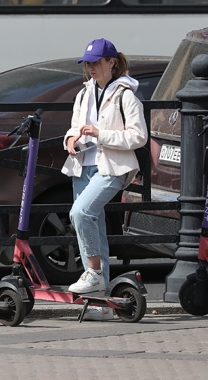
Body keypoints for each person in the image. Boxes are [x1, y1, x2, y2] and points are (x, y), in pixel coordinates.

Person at [61, 38, 147, 321]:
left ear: (112, 62)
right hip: (81, 166)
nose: (91, 67)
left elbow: (138, 137)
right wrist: (71, 140)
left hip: (111, 167)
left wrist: (101, 135)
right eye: (88, 63)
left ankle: (95, 273)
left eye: (97, 62)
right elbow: (74, 128)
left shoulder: (126, 95)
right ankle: (101, 304)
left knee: (81, 213)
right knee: (91, 228)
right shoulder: (84, 93)